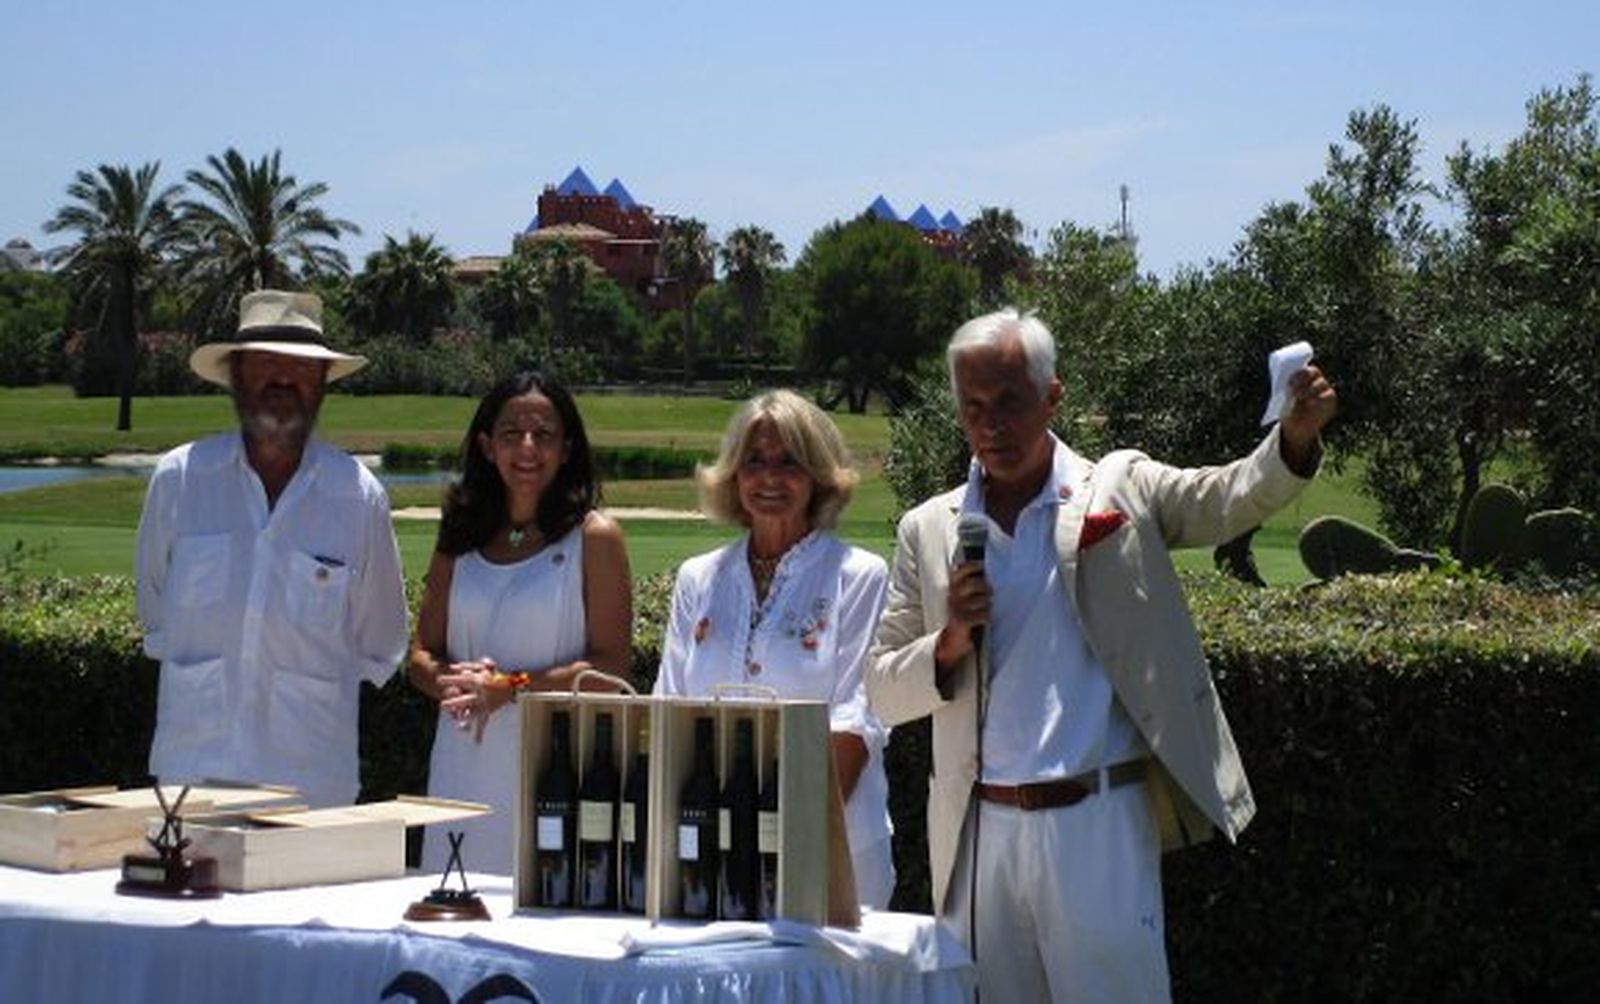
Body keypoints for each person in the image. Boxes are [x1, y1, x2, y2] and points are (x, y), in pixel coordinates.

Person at [868, 308, 1337, 1001]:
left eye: (1009, 402)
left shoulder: (1120, 486)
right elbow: (880, 689)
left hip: (1098, 819)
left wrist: (1292, 440)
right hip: (978, 830)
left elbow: (1225, 499)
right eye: (973, 407)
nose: (991, 425)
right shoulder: (928, 528)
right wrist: (949, 641)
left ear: (1052, 397)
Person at [136, 289, 409, 809]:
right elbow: (157, 617)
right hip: (191, 780)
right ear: (236, 375)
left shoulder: (358, 496)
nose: (283, 379)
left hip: (311, 789)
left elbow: (381, 641)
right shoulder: (180, 479)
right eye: (265, 363)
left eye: (301, 367)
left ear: (322, 381)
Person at [654, 390, 897, 909]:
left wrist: (783, 840)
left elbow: (857, 724)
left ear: (818, 476)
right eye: (754, 461)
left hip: (829, 849)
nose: (769, 478)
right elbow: (667, 711)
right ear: (733, 474)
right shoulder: (698, 578)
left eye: (789, 462)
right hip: (710, 851)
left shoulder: (859, 576)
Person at [408, 371, 633, 874]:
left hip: (552, 773)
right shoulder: (459, 533)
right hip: (460, 767)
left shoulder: (595, 537)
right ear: (487, 446)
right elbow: (421, 654)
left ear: (567, 448)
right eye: (511, 433)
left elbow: (612, 669)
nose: (527, 447)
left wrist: (510, 687)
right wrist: (456, 685)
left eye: (544, 434)